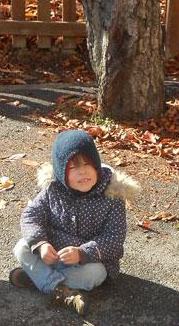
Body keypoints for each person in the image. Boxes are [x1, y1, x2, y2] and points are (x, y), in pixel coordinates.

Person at [9, 129, 138, 316]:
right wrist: (42, 245)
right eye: (73, 167)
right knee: (21, 247)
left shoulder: (112, 195)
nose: (83, 172)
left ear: (97, 166)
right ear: (61, 171)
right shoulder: (52, 190)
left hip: (87, 262)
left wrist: (82, 253)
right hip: (53, 254)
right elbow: (31, 215)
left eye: (88, 164)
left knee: (96, 274)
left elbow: (114, 237)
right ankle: (58, 289)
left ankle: (39, 278)